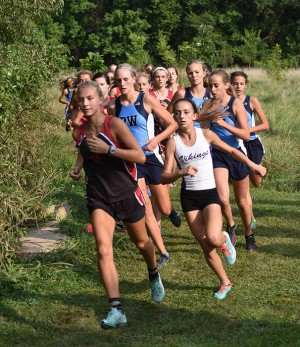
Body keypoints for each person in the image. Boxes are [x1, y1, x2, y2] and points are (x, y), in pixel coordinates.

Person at [69, 80, 165, 329]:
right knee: (103, 249)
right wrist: (78, 167)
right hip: (98, 197)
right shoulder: (78, 130)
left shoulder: (115, 125)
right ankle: (116, 308)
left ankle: (153, 272)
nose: (86, 103)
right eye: (82, 99)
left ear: (101, 99)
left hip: (126, 194)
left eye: (91, 98)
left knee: (142, 244)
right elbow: (83, 148)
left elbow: (140, 156)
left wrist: (110, 150)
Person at [161, 98, 266, 298]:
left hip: (210, 194)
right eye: (177, 113)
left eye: (185, 112)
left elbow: (232, 150)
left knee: (214, 238)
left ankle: (224, 239)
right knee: (205, 245)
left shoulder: (206, 135)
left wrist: (253, 166)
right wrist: (180, 173)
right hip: (189, 199)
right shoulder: (172, 143)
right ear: (174, 117)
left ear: (194, 116)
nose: (181, 116)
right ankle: (225, 282)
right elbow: (163, 176)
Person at [107, 63, 181, 268]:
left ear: (133, 79)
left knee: (164, 208)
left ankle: (171, 210)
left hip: (151, 158)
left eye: (125, 79)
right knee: (146, 208)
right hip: (131, 161)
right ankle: (163, 252)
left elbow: (173, 124)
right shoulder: (114, 107)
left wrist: (157, 140)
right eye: (118, 80)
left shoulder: (146, 99)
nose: (122, 84)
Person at [208, 68, 260, 251]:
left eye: (216, 85)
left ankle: (249, 234)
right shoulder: (209, 104)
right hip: (217, 155)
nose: (212, 89)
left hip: (236, 153)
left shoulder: (235, 104)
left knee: (242, 201)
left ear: (225, 85)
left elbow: (246, 135)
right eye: (210, 86)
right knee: (222, 198)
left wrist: (223, 124)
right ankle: (231, 225)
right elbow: (203, 128)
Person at [230, 71, 269, 231]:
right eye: (235, 83)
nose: (238, 86)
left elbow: (265, 124)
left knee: (257, 181)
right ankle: (251, 217)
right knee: (244, 181)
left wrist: (247, 130)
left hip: (252, 143)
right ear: (230, 84)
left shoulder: (251, 101)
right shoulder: (227, 102)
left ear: (246, 85)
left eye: (241, 83)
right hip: (238, 146)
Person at [167, 59, 211, 128]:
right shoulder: (181, 93)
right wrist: (171, 131)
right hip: (186, 136)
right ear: (187, 75)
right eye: (190, 73)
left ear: (204, 73)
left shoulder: (211, 93)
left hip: (208, 135)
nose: (194, 75)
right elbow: (166, 115)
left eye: (197, 72)